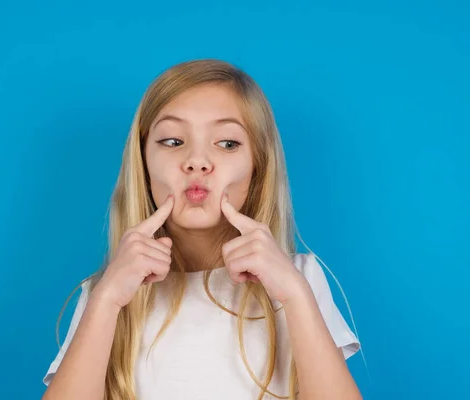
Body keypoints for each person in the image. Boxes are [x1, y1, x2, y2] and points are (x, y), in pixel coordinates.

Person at [41, 59, 363, 400]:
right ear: (143, 161)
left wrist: (295, 296)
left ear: (259, 165)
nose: (197, 161)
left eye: (227, 143)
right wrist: (106, 301)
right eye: (172, 141)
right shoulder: (105, 294)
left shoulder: (300, 280)